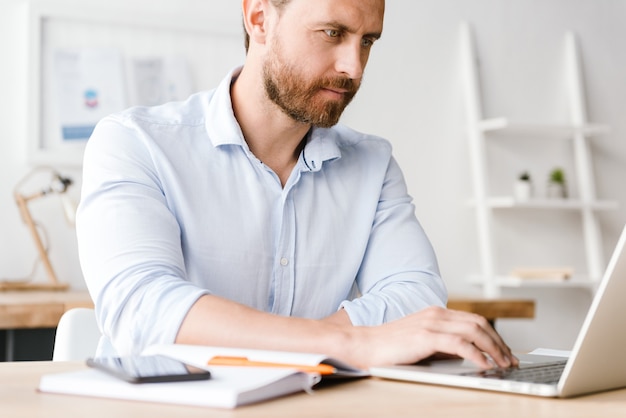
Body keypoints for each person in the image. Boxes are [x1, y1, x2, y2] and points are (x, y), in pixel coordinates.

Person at [76, 0, 517, 370]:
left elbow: (417, 296)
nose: (354, 67)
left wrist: (319, 342)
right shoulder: (136, 143)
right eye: (332, 33)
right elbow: (143, 309)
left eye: (367, 41)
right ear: (259, 19)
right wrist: (350, 344)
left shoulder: (372, 164)